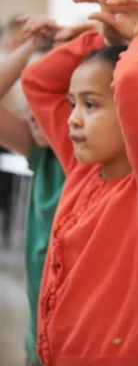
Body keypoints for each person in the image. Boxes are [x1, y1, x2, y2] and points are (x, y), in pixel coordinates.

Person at [20, 0, 138, 365]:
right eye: (72, 104)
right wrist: (99, 41)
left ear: (132, 113)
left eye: (90, 104)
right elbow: (37, 83)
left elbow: (134, 88)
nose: (72, 118)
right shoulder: (82, 170)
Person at [0, 23, 64, 366]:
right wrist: (31, 48)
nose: (32, 110)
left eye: (48, 97)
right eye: (30, 97)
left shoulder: (99, 165)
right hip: (39, 343)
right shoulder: (43, 154)